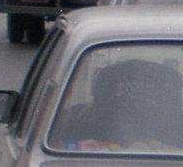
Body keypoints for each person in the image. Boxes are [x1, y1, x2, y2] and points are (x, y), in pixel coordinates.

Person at [53, 57, 183, 152]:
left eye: (147, 92)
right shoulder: (76, 121)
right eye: (127, 90)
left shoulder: (72, 120)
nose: (140, 97)